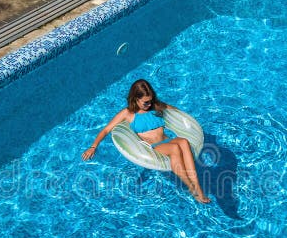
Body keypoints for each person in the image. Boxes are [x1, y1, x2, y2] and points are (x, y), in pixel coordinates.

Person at [82, 79, 210, 203]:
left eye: (150, 101)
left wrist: (190, 124)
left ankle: (197, 186)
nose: (149, 105)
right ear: (135, 99)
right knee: (175, 148)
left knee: (184, 142)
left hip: (168, 140)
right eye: (145, 102)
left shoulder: (155, 106)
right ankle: (192, 188)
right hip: (155, 146)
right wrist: (93, 147)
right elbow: (106, 130)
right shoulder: (128, 113)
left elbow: (177, 113)